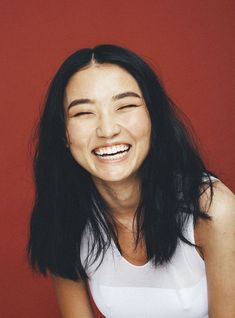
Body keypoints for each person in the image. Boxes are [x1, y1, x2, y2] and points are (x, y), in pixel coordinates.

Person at [27, 44, 235, 318]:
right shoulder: (65, 216)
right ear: (64, 134)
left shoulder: (211, 209)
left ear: (153, 118)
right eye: (83, 113)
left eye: (125, 106)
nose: (108, 130)